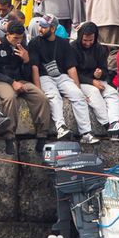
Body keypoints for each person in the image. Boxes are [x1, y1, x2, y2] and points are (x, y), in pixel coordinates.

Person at [27, 16, 99, 144]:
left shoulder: (64, 43)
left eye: (44, 26)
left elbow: (71, 67)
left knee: (78, 95)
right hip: (44, 76)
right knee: (54, 96)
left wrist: (78, 88)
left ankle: (86, 133)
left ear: (53, 28)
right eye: (40, 25)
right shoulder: (34, 43)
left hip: (61, 76)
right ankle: (61, 127)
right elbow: (34, 67)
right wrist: (38, 90)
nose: (40, 29)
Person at [0, 22, 52, 154]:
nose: (18, 41)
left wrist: (26, 61)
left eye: (20, 37)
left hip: (20, 80)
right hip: (0, 80)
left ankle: (42, 135)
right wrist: (12, 82)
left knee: (41, 97)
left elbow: (26, 74)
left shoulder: (23, 47)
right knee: (10, 98)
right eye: (15, 38)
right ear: (7, 35)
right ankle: (10, 137)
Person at [72, 22, 119, 141]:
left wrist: (100, 73)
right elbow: (73, 72)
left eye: (91, 40)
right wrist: (91, 81)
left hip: (97, 80)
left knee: (112, 92)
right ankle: (107, 124)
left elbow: (105, 70)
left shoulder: (99, 48)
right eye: (85, 40)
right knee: (94, 93)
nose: (88, 43)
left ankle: (114, 121)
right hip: (79, 81)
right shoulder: (73, 48)